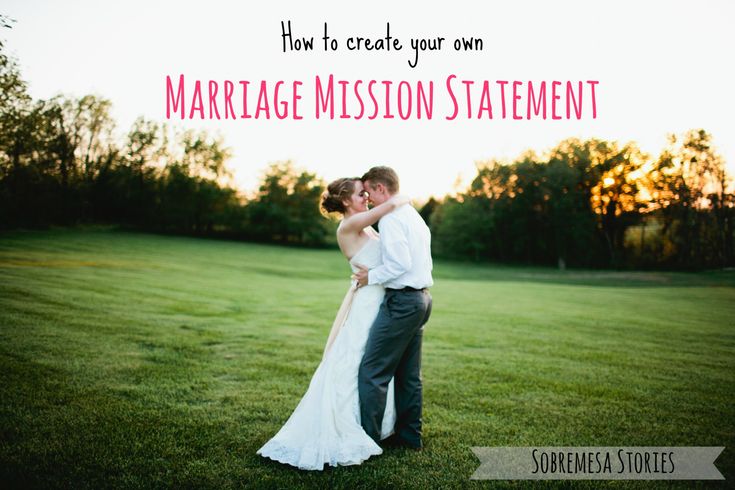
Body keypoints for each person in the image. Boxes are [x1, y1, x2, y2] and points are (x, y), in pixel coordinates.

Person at [257, 176, 410, 470]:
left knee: (373, 362)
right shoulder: (348, 226)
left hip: (379, 300)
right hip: (367, 304)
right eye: (360, 193)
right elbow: (388, 207)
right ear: (344, 201)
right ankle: (348, 425)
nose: (366, 196)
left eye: (366, 192)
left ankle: (375, 422)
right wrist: (401, 198)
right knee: (354, 362)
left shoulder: (365, 225)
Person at [353, 166, 433, 450]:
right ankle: (410, 436)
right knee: (409, 376)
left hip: (402, 303)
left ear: (381, 189)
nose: (368, 198)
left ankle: (367, 440)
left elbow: (400, 264)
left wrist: (369, 277)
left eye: (369, 192)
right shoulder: (413, 215)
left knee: (373, 372)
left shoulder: (390, 219)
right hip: (421, 299)